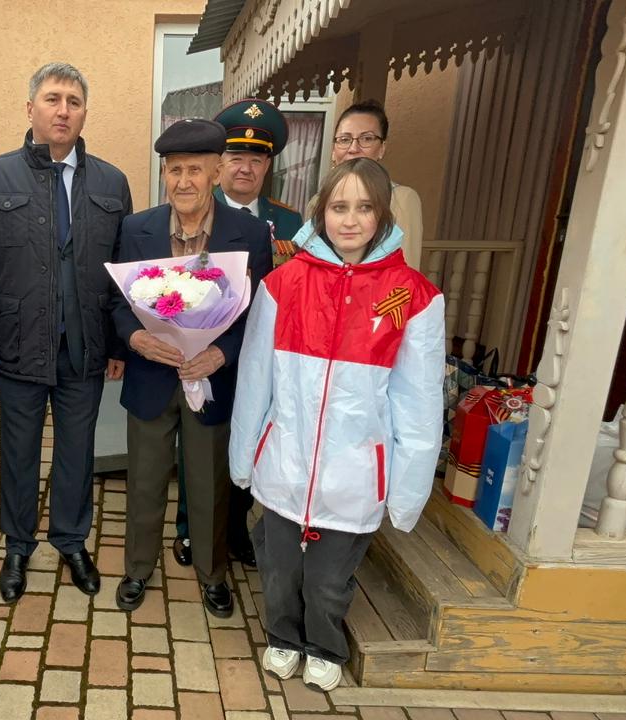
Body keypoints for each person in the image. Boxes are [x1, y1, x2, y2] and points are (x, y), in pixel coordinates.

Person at [229, 157, 444, 692]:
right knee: (279, 567)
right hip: (286, 463)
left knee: (328, 579)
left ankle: (324, 644)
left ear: (382, 214)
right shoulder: (283, 285)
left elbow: (418, 403)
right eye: (339, 206)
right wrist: (244, 455)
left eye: (364, 207)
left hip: (354, 474)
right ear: (321, 212)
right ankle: (282, 634)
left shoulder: (412, 296)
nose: (350, 220)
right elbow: (256, 378)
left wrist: (407, 491)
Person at [0, 62, 132, 602]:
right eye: (53, 99)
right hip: (18, 348)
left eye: (73, 102)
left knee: (77, 451)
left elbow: (121, 274)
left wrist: (117, 344)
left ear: (84, 113)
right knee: (18, 453)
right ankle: (17, 545)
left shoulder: (111, 182)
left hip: (84, 348)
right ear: (30, 108)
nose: (63, 110)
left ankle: (71, 540)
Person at [111, 119, 274, 618]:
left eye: (195, 170)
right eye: (174, 170)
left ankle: (212, 574)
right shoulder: (135, 228)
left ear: (217, 173)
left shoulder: (249, 234)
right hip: (152, 379)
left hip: (213, 380)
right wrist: (135, 338)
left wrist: (221, 353)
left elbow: (259, 315)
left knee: (208, 485)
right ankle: (138, 569)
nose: (184, 181)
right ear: (164, 174)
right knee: (144, 481)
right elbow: (117, 303)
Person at [167, 99, 304, 571]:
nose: (246, 167)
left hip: (261, 356)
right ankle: (190, 527)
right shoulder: (194, 210)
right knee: (197, 447)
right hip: (203, 355)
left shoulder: (292, 223)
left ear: (268, 165)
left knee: (249, 437)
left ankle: (236, 527)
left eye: (257, 158)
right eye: (236, 156)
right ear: (219, 164)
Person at [329, 100, 424, 267]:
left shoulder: (401, 199)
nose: (353, 148)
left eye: (367, 138)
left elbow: (406, 270)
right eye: (344, 139)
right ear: (333, 150)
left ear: (382, 148)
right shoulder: (318, 201)